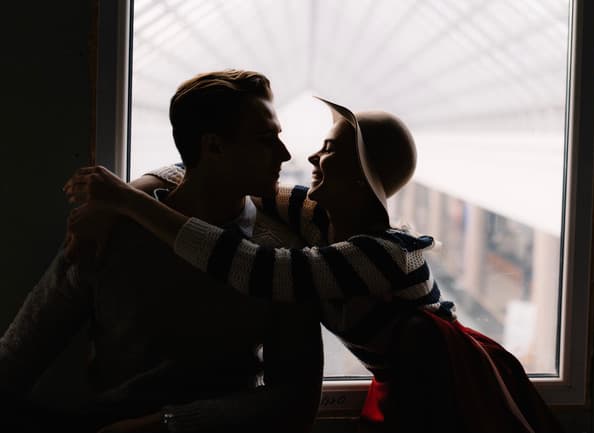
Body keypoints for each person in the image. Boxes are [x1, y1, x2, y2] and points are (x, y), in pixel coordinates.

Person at [64, 97, 563, 433]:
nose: (310, 157)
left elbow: (259, 270)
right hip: (405, 388)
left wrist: (131, 208)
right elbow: (204, 172)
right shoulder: (319, 218)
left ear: (362, 178)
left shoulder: (385, 254)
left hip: (447, 391)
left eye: (329, 150)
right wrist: (121, 198)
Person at [0, 69, 323, 433]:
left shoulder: (281, 257)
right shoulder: (110, 231)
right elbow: (18, 357)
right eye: (267, 139)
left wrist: (167, 425)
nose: (284, 153)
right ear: (213, 146)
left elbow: (295, 402)